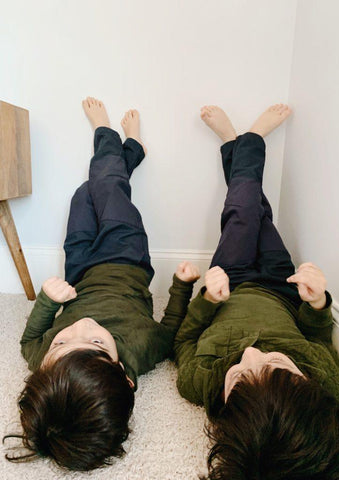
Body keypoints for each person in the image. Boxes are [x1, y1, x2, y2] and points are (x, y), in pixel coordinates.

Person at [4, 97, 196, 471]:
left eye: (61, 342)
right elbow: (171, 331)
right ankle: (107, 133)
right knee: (106, 184)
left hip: (78, 269)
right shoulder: (141, 349)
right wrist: (181, 286)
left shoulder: (42, 361)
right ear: (124, 376)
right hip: (126, 257)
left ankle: (130, 155)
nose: (81, 327)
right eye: (95, 343)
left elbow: (28, 340)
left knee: (83, 194)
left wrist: (46, 300)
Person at [172, 105, 339, 480]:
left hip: (231, 282)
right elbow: (318, 336)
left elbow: (184, 338)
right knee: (259, 213)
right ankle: (234, 145)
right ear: (308, 384)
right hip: (282, 287)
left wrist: (208, 299)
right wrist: (317, 302)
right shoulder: (330, 382)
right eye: (275, 363)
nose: (251, 353)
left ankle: (249, 139)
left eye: (239, 375)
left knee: (242, 213)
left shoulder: (199, 384)